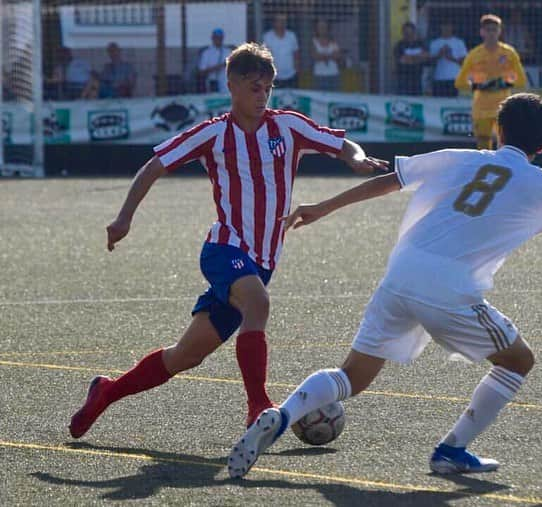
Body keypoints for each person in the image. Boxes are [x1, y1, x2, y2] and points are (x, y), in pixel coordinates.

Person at [227, 92, 542, 479]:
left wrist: (323, 206)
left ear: (498, 132)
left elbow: (389, 180)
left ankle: (282, 414)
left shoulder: (461, 158)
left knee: (352, 377)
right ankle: (451, 451)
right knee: (518, 361)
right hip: (448, 289)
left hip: (401, 272)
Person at [68, 42, 388, 439]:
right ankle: (258, 409)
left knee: (185, 356)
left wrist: (356, 159)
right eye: (254, 86)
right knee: (258, 302)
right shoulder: (213, 133)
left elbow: (342, 145)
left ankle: (106, 392)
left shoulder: (287, 126)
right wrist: (124, 217)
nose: (262, 94)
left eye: (268, 87)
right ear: (232, 85)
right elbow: (155, 165)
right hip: (225, 247)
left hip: (262, 261)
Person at [455, 14, 527, 150]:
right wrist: (479, 84)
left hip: (503, 106)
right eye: (488, 30)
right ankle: (486, 169)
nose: (491, 33)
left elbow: (521, 80)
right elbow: (460, 82)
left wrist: (503, 83)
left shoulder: (509, 53)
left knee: (505, 143)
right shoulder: (474, 54)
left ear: (500, 31)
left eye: (494, 29)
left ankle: (503, 169)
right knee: (483, 145)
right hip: (481, 108)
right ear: (481, 32)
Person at [429, 22, 467, 97]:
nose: (446, 28)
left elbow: (464, 62)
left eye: (448, 26)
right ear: (441, 27)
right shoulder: (434, 43)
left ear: (452, 27)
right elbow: (430, 62)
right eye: (444, 26)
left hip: (454, 78)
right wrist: (439, 55)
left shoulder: (459, 42)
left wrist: (451, 57)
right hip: (439, 78)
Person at [262, 14, 300, 88]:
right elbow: (266, 56)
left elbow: (296, 53)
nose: (282, 23)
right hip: (274, 76)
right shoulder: (267, 36)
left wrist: (297, 70)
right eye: (280, 21)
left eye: (284, 21)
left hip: (291, 75)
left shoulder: (291, 36)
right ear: (274, 23)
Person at [394, 22, 429, 96]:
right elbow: (402, 60)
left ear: (414, 32)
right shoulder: (399, 45)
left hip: (417, 79)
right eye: (406, 33)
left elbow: (425, 57)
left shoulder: (421, 43)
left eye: (410, 33)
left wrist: (409, 58)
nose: (409, 35)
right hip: (403, 80)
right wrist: (418, 57)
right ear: (403, 33)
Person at [197, 28, 233, 94]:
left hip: (226, 87)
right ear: (213, 38)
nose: (218, 40)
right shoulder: (206, 53)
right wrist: (220, 66)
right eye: (216, 37)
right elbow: (201, 72)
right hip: (212, 84)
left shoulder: (228, 51)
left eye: (220, 38)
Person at [311, 19, 342, 92]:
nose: (322, 29)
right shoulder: (313, 41)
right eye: (320, 27)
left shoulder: (333, 41)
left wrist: (322, 56)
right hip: (319, 75)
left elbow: (338, 56)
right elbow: (315, 56)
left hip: (333, 75)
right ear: (317, 29)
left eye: (324, 27)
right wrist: (330, 56)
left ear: (328, 28)